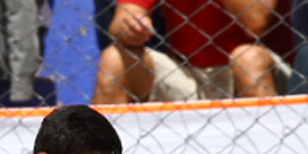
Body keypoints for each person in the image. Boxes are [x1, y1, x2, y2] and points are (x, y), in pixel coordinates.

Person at [93, 0, 295, 102]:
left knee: (248, 58)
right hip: (189, 74)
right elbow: (122, 20)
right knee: (114, 60)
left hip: (263, 73)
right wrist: (131, 27)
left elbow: (255, 21)